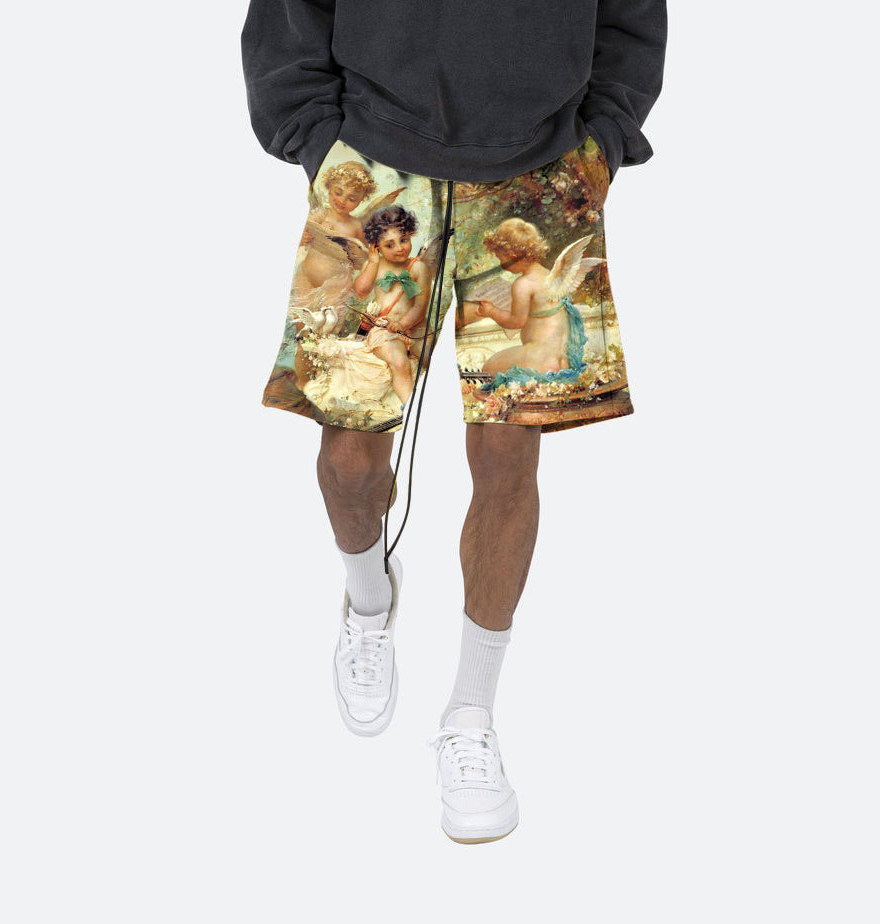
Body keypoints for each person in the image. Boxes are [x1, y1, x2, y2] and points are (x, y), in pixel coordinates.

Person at [241, 0, 667, 844]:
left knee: (509, 461)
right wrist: (317, 138)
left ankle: (472, 714)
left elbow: (631, 14)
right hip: (376, 165)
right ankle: (370, 602)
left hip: (540, 175)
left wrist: (603, 144)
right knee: (349, 462)